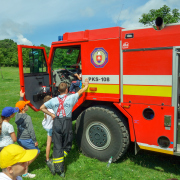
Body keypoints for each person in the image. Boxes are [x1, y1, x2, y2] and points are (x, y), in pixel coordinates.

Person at [40, 78, 89, 177]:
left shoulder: (53, 100)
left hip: (57, 122)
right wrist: (86, 86)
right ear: (66, 90)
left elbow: (41, 108)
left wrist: (51, 114)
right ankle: (60, 161)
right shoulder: (71, 98)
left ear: (58, 90)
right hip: (66, 123)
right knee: (67, 144)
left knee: (57, 145)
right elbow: (80, 92)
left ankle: (59, 169)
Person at [15, 91, 40, 178]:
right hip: (26, 139)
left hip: (19, 139)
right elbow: (31, 130)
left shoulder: (17, 115)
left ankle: (22, 169)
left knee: (25, 153)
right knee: (37, 151)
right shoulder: (27, 118)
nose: (27, 105)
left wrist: (21, 97)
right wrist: (35, 141)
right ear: (23, 108)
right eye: (26, 105)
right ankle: (24, 171)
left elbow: (18, 107)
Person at [42, 95, 55, 164]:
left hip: (46, 126)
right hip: (50, 128)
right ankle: (47, 159)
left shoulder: (45, 109)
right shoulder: (52, 111)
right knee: (48, 144)